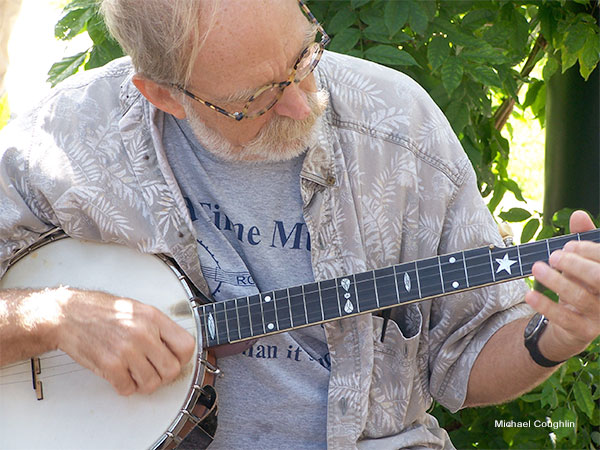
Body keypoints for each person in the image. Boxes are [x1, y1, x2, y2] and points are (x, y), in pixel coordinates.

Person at [0, 0, 598, 448]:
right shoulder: (62, 147)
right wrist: (52, 317)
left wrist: (557, 336)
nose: (303, 98)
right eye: (257, 97)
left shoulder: (398, 128)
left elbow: (466, 355)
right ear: (163, 94)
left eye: (304, 54)